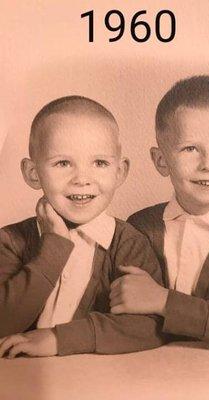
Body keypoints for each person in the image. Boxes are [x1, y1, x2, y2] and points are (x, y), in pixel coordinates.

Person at [0, 96, 166, 358]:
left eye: (99, 163)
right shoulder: (11, 240)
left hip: (98, 383)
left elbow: (150, 326)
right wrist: (54, 247)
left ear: (120, 172)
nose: (82, 179)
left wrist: (58, 339)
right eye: (63, 163)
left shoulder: (128, 244)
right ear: (33, 173)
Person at [109, 75, 209, 352]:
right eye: (190, 148)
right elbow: (121, 309)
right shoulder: (139, 226)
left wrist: (164, 301)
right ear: (161, 160)